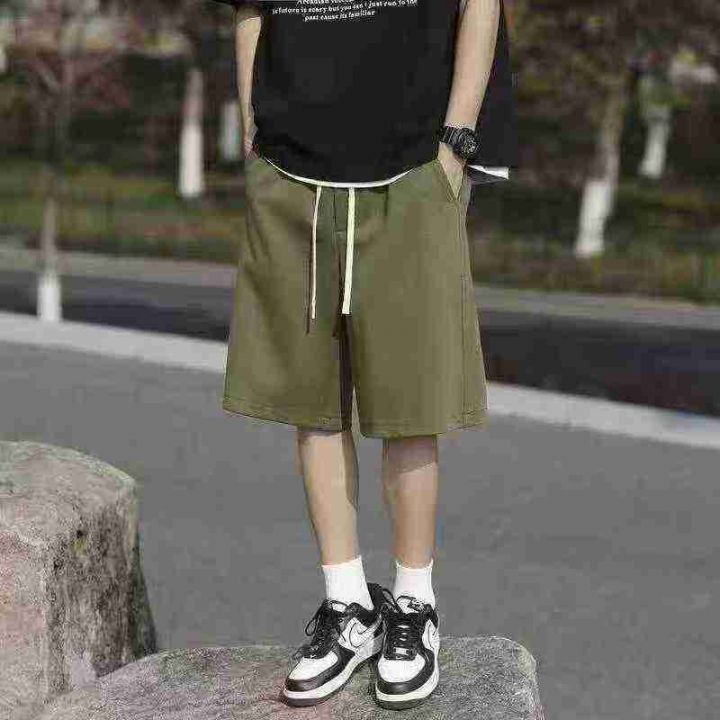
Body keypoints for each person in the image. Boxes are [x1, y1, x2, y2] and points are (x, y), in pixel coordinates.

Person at [209, 0, 518, 709]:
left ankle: (414, 605)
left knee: (413, 402)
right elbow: (251, 10)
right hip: (291, 168)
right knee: (311, 400)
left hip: (412, 164)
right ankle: (347, 605)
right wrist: (255, 129)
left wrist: (457, 143)